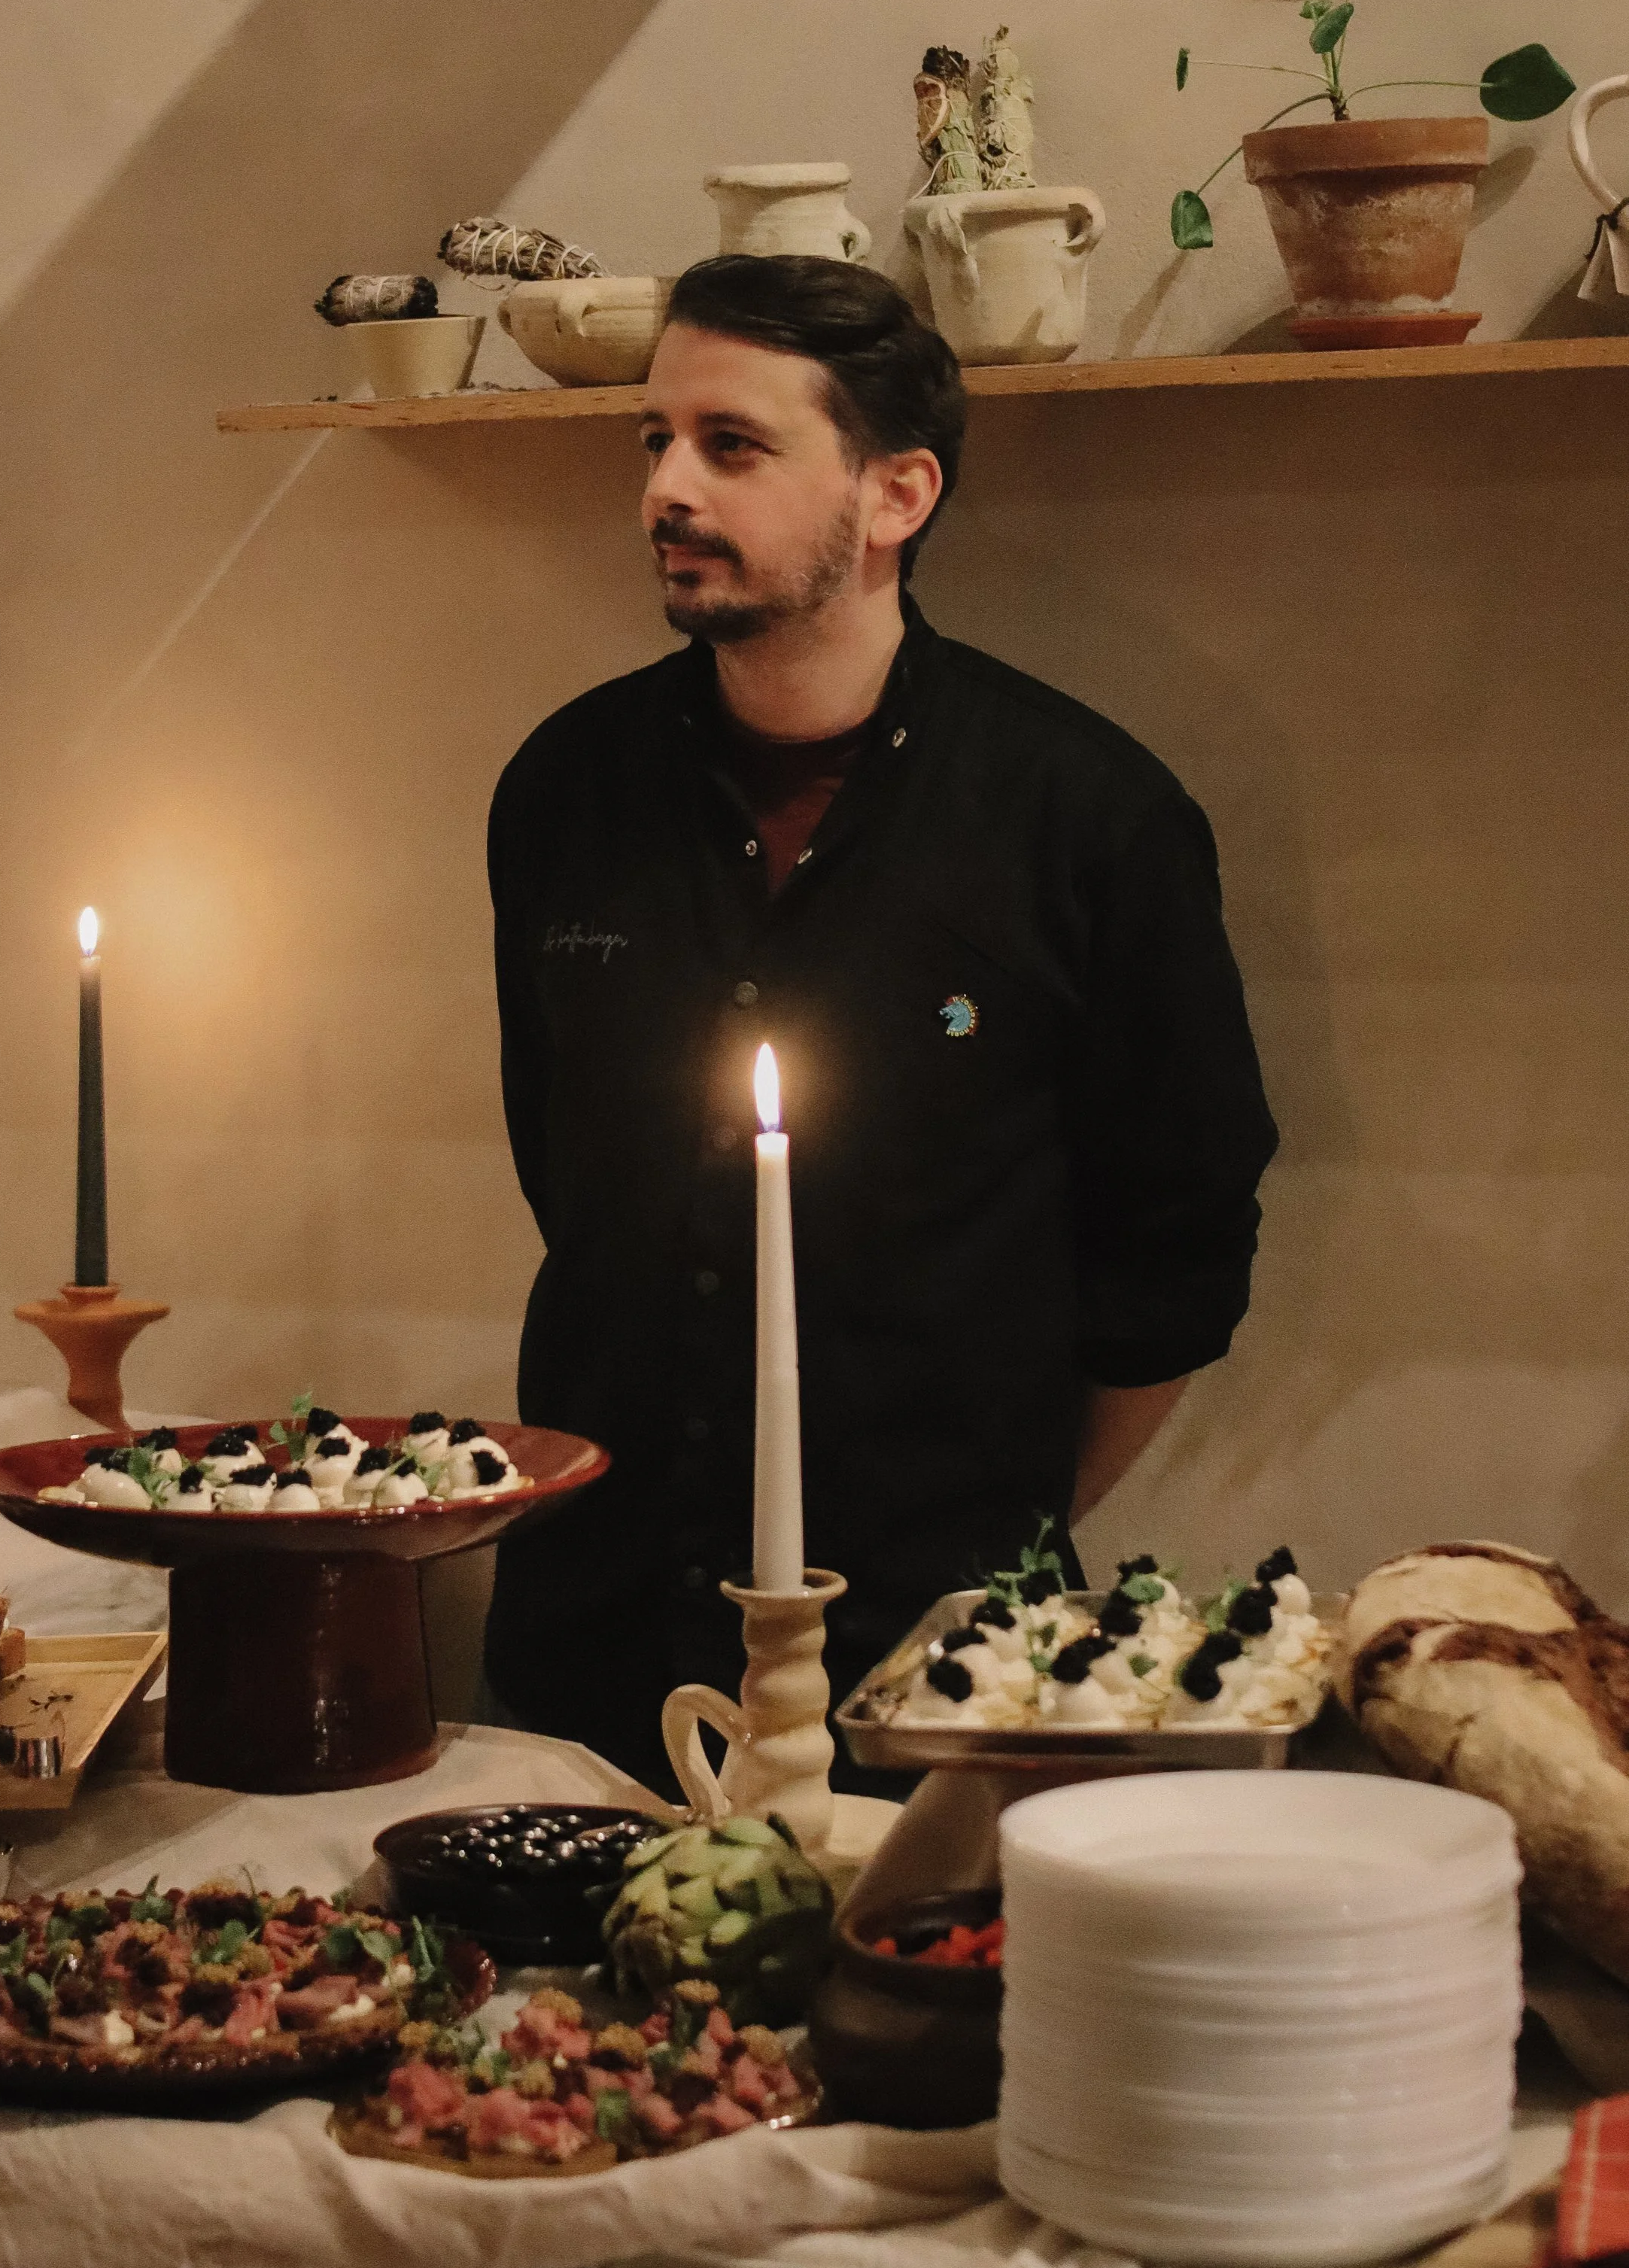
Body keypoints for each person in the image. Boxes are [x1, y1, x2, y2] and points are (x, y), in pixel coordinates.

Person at [482, 254, 1277, 1788]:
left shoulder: (1086, 818)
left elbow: (1173, 1250)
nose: (664, 485)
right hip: (592, 1623)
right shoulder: (564, 790)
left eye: (731, 443)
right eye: (651, 439)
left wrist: (995, 1520)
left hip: (929, 1654)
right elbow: (564, 1173)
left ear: (895, 493)